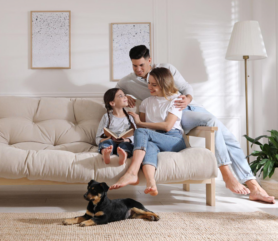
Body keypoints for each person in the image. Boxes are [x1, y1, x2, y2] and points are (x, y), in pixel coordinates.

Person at [114, 45, 275, 204]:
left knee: (228, 138)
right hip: (171, 116)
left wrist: (188, 99)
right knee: (216, 126)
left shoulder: (166, 69)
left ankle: (250, 185)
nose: (138, 69)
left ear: (149, 60)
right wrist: (125, 96)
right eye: (135, 65)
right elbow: (115, 92)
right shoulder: (129, 81)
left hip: (187, 108)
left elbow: (185, 88)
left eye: (141, 65)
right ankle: (236, 179)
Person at [110, 68, 186, 195]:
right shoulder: (146, 103)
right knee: (148, 145)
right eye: (149, 83)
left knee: (142, 132)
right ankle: (151, 183)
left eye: (154, 84)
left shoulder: (176, 100)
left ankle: (132, 172)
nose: (149, 87)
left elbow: (167, 126)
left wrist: (140, 123)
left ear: (164, 84)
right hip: (154, 139)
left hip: (173, 139)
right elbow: (142, 131)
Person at [96, 88, 136, 165]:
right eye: (121, 96)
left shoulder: (130, 117)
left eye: (124, 95)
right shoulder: (106, 117)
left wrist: (128, 140)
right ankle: (105, 153)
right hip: (111, 142)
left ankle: (123, 155)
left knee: (126, 145)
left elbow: (136, 135)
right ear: (112, 103)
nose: (125, 97)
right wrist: (106, 139)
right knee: (107, 142)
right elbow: (98, 137)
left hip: (124, 142)